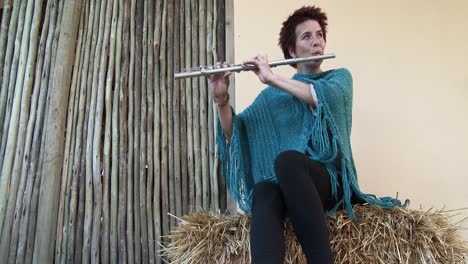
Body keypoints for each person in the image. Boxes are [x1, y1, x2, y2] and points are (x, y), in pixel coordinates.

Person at [209, 6, 407, 264]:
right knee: (264, 190)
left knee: (287, 161)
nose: (316, 41)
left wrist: (272, 77)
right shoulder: (273, 96)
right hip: (292, 191)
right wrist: (221, 98)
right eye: (307, 37)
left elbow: (320, 98)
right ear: (292, 50)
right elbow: (237, 133)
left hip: (330, 185)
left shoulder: (338, 79)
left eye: (319, 35)